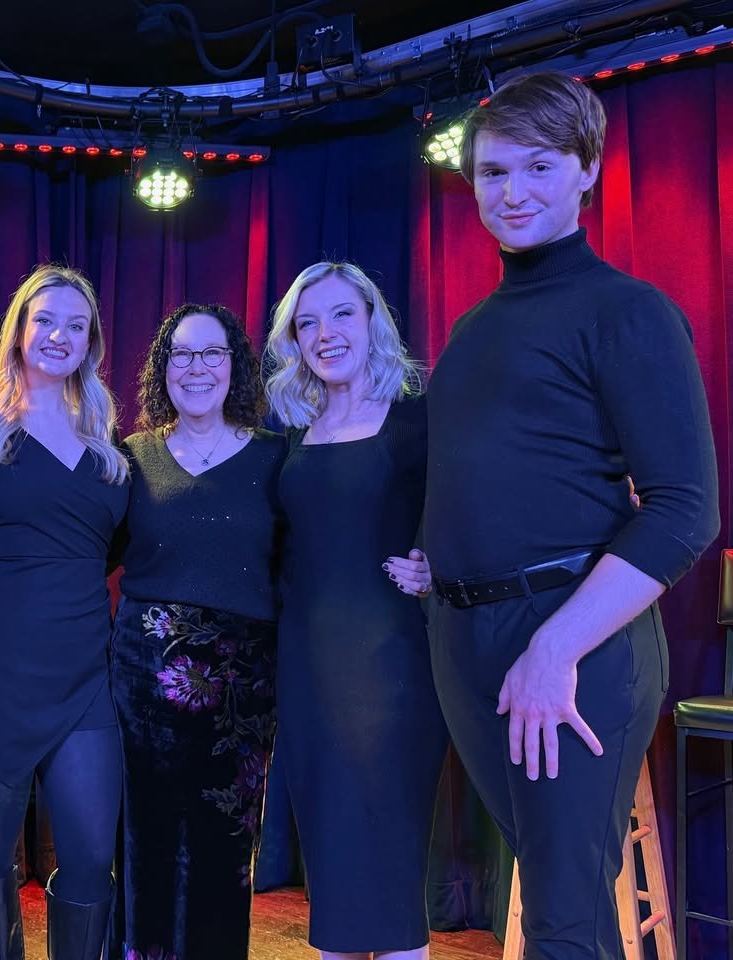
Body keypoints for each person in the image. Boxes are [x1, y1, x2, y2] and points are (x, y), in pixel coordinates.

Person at [424, 71, 719, 960]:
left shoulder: (629, 312)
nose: (511, 193)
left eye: (539, 169)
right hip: (469, 641)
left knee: (563, 915)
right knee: (547, 885)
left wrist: (556, 649)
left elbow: (684, 511)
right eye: (492, 173)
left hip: (570, 641)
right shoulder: (474, 327)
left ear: (588, 170)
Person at [263, 261, 443, 960]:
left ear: (373, 320)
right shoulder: (292, 432)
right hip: (306, 670)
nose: (324, 333)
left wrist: (437, 565)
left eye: (340, 314)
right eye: (307, 322)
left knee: (390, 866)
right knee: (331, 864)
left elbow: (476, 511)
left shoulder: (416, 422)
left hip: (392, 668)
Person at [0, 264, 130, 960]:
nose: (60, 335)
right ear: (18, 331)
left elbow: (119, 549)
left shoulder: (111, 452)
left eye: (77, 325)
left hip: (86, 676)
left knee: (90, 859)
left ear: (92, 342)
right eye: (45, 320)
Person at [111, 304, 281, 960]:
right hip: (143, 689)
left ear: (235, 364)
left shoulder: (275, 459)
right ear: (162, 368)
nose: (197, 367)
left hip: (241, 699)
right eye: (181, 354)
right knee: (146, 847)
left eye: (212, 353)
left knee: (222, 856)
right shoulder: (133, 459)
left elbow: (310, 559)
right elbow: (84, 554)